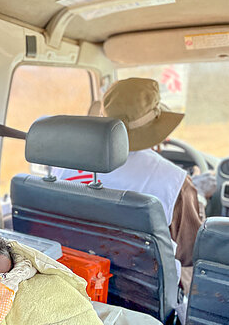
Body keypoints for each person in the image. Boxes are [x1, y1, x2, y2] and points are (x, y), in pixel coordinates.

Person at [52, 78, 203, 293]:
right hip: (140, 296)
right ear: (155, 128)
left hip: (72, 282)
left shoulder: (61, 164)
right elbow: (190, 253)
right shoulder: (174, 180)